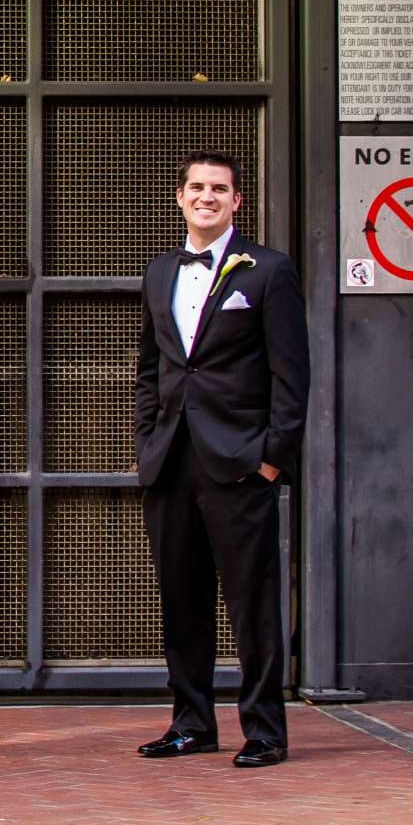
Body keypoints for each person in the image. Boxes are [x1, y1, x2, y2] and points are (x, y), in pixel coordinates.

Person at [134, 152, 307, 769]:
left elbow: (292, 377)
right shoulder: (159, 272)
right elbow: (151, 371)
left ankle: (264, 730)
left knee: (252, 604)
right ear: (179, 197)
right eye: (197, 187)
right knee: (182, 600)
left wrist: (271, 461)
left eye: (220, 189)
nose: (207, 196)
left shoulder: (269, 271)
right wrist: (146, 446)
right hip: (172, 465)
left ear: (237, 201)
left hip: (240, 464)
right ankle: (191, 723)